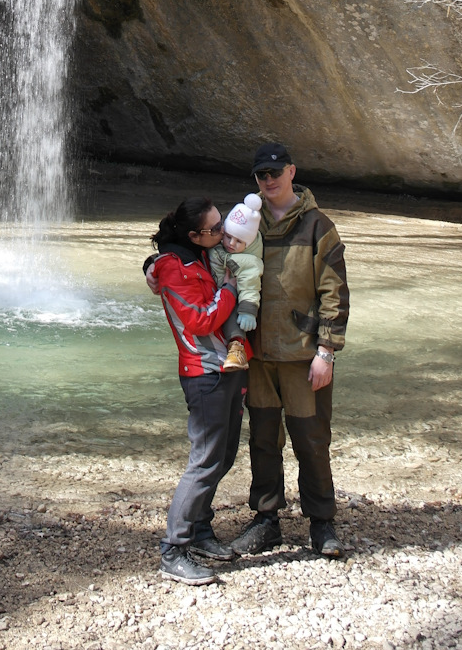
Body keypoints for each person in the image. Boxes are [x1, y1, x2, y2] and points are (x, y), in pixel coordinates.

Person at [230, 142, 350, 559]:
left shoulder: (318, 226)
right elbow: (206, 252)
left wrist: (327, 352)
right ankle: (266, 521)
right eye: (261, 174)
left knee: (312, 440)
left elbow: (334, 292)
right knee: (263, 440)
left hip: (303, 357)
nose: (268, 180)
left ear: (292, 172)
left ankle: (322, 523)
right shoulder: (248, 223)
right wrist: (155, 267)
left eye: (275, 172)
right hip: (259, 355)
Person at [148, 196, 247, 584]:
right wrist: (230, 290)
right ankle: (174, 549)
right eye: (215, 229)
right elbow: (201, 320)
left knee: (224, 456)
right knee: (205, 460)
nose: (223, 234)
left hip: (231, 367)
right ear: (194, 235)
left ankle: (201, 531)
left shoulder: (206, 253)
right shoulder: (173, 267)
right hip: (203, 372)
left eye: (222, 224)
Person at [208, 193, 264, 372]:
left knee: (233, 315)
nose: (231, 243)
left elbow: (250, 286)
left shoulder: (249, 262)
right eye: (228, 236)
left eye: (239, 241)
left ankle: (236, 349)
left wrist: (248, 311)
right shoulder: (219, 246)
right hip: (215, 292)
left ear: (248, 244)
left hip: (235, 300)